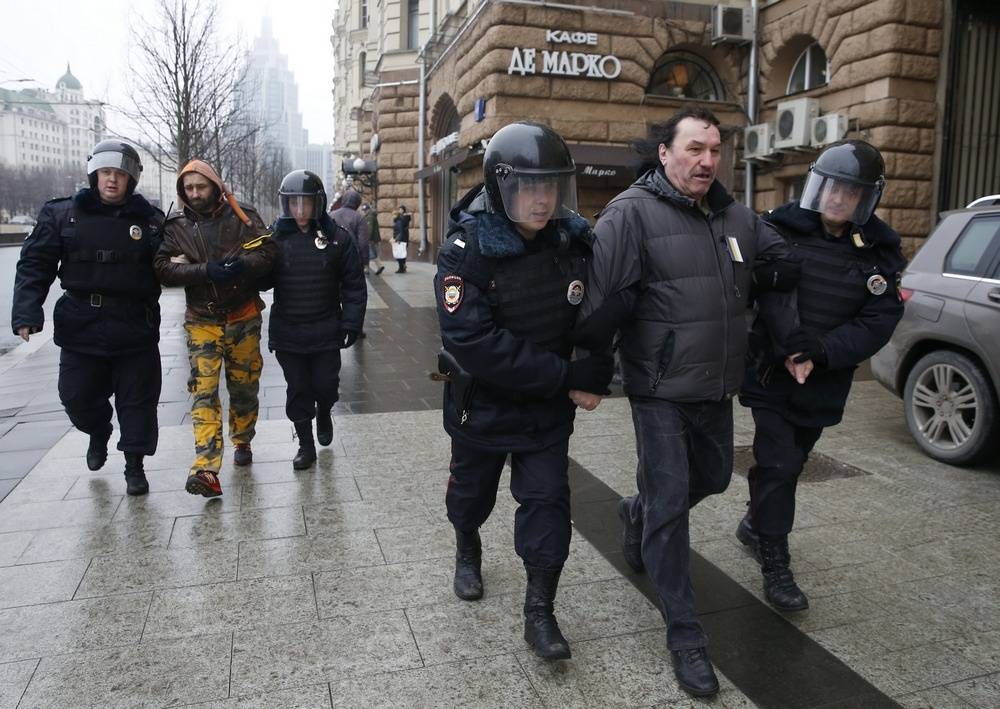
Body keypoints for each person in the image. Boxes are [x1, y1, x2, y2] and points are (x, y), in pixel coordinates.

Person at [575, 108, 799, 697]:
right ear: (664, 152)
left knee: (716, 477)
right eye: (695, 148)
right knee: (672, 506)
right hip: (659, 388)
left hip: (716, 386)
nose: (707, 161)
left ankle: (636, 512)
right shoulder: (629, 213)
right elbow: (599, 302)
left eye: (715, 150)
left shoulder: (735, 216)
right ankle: (685, 634)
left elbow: (783, 258)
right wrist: (590, 374)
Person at [435, 121, 613, 662]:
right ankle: (467, 545)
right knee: (471, 496)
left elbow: (601, 311)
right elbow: (474, 342)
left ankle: (540, 611)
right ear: (500, 186)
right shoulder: (466, 249)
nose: (542, 200)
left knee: (547, 505)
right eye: (528, 186)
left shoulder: (571, 241)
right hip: (481, 408)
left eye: (550, 186)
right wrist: (567, 377)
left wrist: (598, 366)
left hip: (544, 415)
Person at [736, 140, 906, 611]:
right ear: (816, 185)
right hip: (772, 372)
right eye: (831, 187)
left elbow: (880, 318)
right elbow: (763, 295)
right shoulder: (779, 229)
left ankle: (754, 524)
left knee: (791, 461)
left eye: (850, 191)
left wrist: (823, 352)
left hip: (824, 379)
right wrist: (793, 347)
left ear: (866, 198)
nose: (837, 197)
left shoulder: (879, 250)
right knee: (779, 464)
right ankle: (775, 562)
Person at [11, 140, 164, 496]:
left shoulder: (151, 221)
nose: (112, 180)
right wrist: (26, 311)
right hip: (82, 324)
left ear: (131, 180)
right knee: (76, 397)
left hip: (134, 324)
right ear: (95, 174)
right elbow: (35, 263)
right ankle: (98, 430)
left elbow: (171, 266)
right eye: (106, 172)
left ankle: (134, 465)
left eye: (120, 174)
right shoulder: (63, 214)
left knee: (138, 402)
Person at [153, 160, 277, 497]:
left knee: (244, 387)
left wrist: (241, 266)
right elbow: (163, 269)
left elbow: (269, 252)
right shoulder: (177, 226)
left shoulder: (242, 215)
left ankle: (243, 438)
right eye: (189, 188)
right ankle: (206, 468)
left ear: (215, 186)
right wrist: (205, 271)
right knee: (203, 392)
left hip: (243, 317)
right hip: (201, 321)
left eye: (201, 186)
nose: (195, 194)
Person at [264, 170, 366, 469]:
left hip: (325, 330)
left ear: (317, 203)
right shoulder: (275, 238)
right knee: (298, 388)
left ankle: (324, 410)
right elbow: (261, 280)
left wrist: (351, 323)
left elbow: (354, 284)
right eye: (294, 203)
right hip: (288, 332)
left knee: (325, 385)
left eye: (306, 203)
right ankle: (305, 445)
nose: (300, 211)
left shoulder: (337, 238)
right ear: (285, 204)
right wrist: (250, 262)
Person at [361, 202, 385, 275]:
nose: (364, 211)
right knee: (370, 253)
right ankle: (368, 268)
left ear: (368, 209)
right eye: (364, 210)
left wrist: (367, 238)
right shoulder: (371, 215)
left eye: (365, 210)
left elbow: (369, 229)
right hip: (373, 238)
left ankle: (378, 266)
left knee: (370, 253)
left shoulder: (369, 217)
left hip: (370, 239)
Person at [392, 205, 411, 272]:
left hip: (402, 238)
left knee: (400, 253)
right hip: (401, 238)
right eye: (399, 209)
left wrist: (397, 239)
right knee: (401, 253)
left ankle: (402, 267)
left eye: (401, 209)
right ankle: (403, 266)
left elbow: (401, 231)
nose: (400, 210)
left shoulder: (401, 220)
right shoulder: (399, 220)